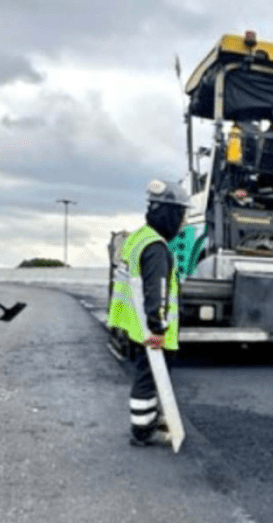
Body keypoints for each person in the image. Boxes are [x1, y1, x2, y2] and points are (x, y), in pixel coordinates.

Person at [107, 179, 190, 447]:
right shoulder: (156, 248)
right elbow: (158, 292)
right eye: (181, 216)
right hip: (149, 330)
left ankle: (148, 420)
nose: (183, 223)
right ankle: (142, 431)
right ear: (170, 215)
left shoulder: (138, 238)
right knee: (148, 378)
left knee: (146, 375)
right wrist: (158, 329)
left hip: (134, 325)